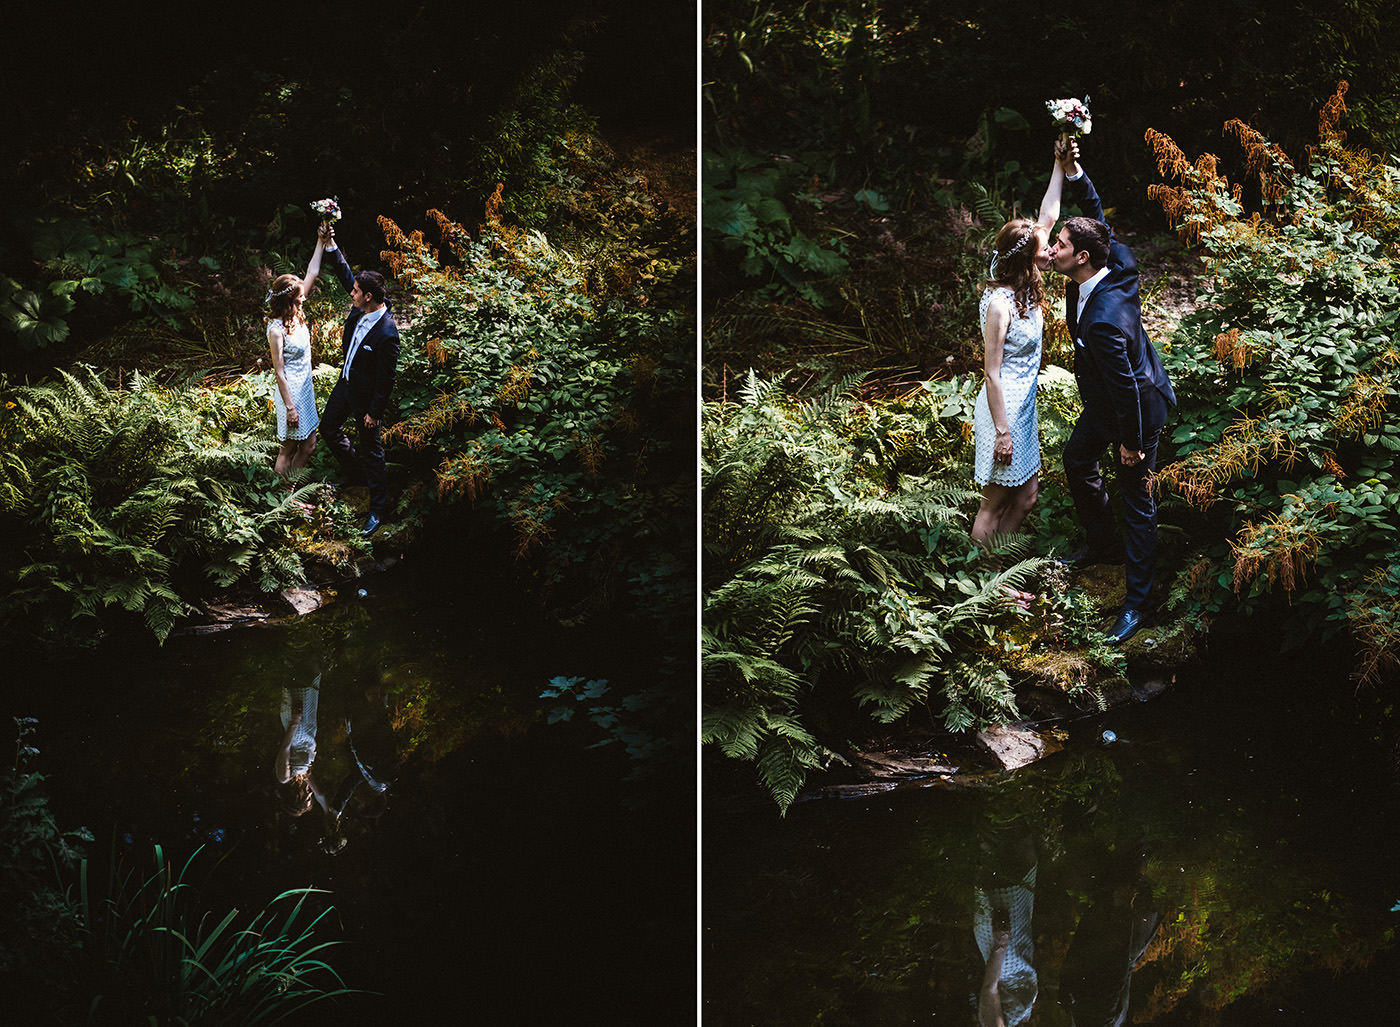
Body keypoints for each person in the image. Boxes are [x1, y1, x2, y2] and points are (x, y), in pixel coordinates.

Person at [1047, 141, 1177, 644]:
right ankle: (1101, 546)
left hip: (1135, 412)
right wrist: (1073, 169)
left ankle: (1137, 604)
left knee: (1136, 497)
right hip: (1107, 403)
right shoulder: (1114, 260)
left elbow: (1124, 384)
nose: (1050, 248)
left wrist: (1131, 442)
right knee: (1077, 460)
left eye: (1057, 244)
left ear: (1080, 258)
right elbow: (1097, 216)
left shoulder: (1102, 321)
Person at [970, 144, 1070, 578]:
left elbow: (1047, 215)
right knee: (993, 505)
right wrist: (1003, 433)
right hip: (1003, 410)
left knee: (1027, 498)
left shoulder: (1021, 272)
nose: (1051, 252)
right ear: (1028, 260)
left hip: (1022, 407)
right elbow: (990, 373)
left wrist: (1058, 164)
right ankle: (983, 586)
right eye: (1044, 250)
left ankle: (999, 573)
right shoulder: (1000, 304)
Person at [319, 228, 400, 537]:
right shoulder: (360, 306)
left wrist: (375, 412)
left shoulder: (387, 333)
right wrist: (330, 244)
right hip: (346, 383)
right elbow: (344, 273)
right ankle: (355, 474)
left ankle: (378, 510)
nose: (349, 294)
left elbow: (386, 378)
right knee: (328, 427)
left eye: (354, 291)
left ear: (368, 296)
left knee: (373, 451)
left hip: (367, 400)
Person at [265, 228, 331, 475]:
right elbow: (279, 372)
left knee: (310, 445)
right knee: (288, 448)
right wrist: (290, 407)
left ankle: (289, 492)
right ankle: (283, 500)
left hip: (305, 388)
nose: (304, 299)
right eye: (299, 298)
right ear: (288, 301)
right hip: (290, 393)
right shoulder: (276, 330)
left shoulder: (297, 314)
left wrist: (320, 242)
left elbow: (312, 271)